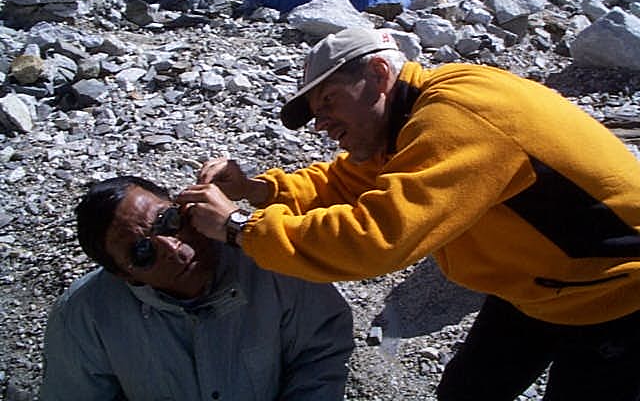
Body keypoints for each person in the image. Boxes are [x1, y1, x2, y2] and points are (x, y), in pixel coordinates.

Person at [176, 27, 640, 400]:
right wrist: (257, 190)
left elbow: (376, 238)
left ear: (379, 73)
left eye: (330, 101)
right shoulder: (410, 116)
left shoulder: (457, 117)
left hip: (619, 292)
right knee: (467, 391)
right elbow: (344, 183)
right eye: (317, 113)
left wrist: (239, 228)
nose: (322, 124)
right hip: (541, 286)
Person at [40, 176, 353, 401]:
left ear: (183, 205)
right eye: (143, 252)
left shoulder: (269, 262)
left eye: (168, 221)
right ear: (125, 275)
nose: (174, 248)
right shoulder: (84, 317)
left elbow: (322, 347)